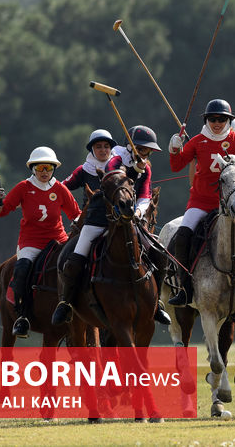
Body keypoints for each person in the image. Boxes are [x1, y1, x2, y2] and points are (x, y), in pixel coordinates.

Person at [51, 125, 171, 326]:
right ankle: (65, 303)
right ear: (130, 147)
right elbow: (111, 174)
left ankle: (156, 303)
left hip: (128, 220)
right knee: (74, 257)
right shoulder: (116, 157)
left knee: (159, 252)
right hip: (98, 217)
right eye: (141, 149)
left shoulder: (146, 169)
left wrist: (139, 213)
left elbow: (144, 196)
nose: (145, 153)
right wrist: (133, 170)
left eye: (147, 150)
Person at [167, 99, 235, 307]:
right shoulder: (197, 141)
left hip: (230, 204)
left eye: (222, 119)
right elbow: (176, 166)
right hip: (200, 202)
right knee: (182, 238)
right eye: (213, 119)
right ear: (206, 120)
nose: (217, 123)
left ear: (229, 120)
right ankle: (185, 288)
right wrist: (175, 149)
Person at [0, 146, 81, 338]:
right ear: (33, 168)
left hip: (58, 240)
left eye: (48, 168)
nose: (44, 172)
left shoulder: (59, 189)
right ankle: (22, 317)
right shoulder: (23, 187)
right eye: (40, 168)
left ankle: (74, 310)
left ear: (53, 170)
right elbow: (2, 211)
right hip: (31, 242)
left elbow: (76, 214)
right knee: (22, 269)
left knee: (76, 266)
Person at [62, 129, 116, 207]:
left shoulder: (119, 167)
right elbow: (62, 187)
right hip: (90, 215)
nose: (103, 150)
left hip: (115, 216)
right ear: (92, 149)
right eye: (98, 147)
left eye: (106, 146)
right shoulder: (83, 170)